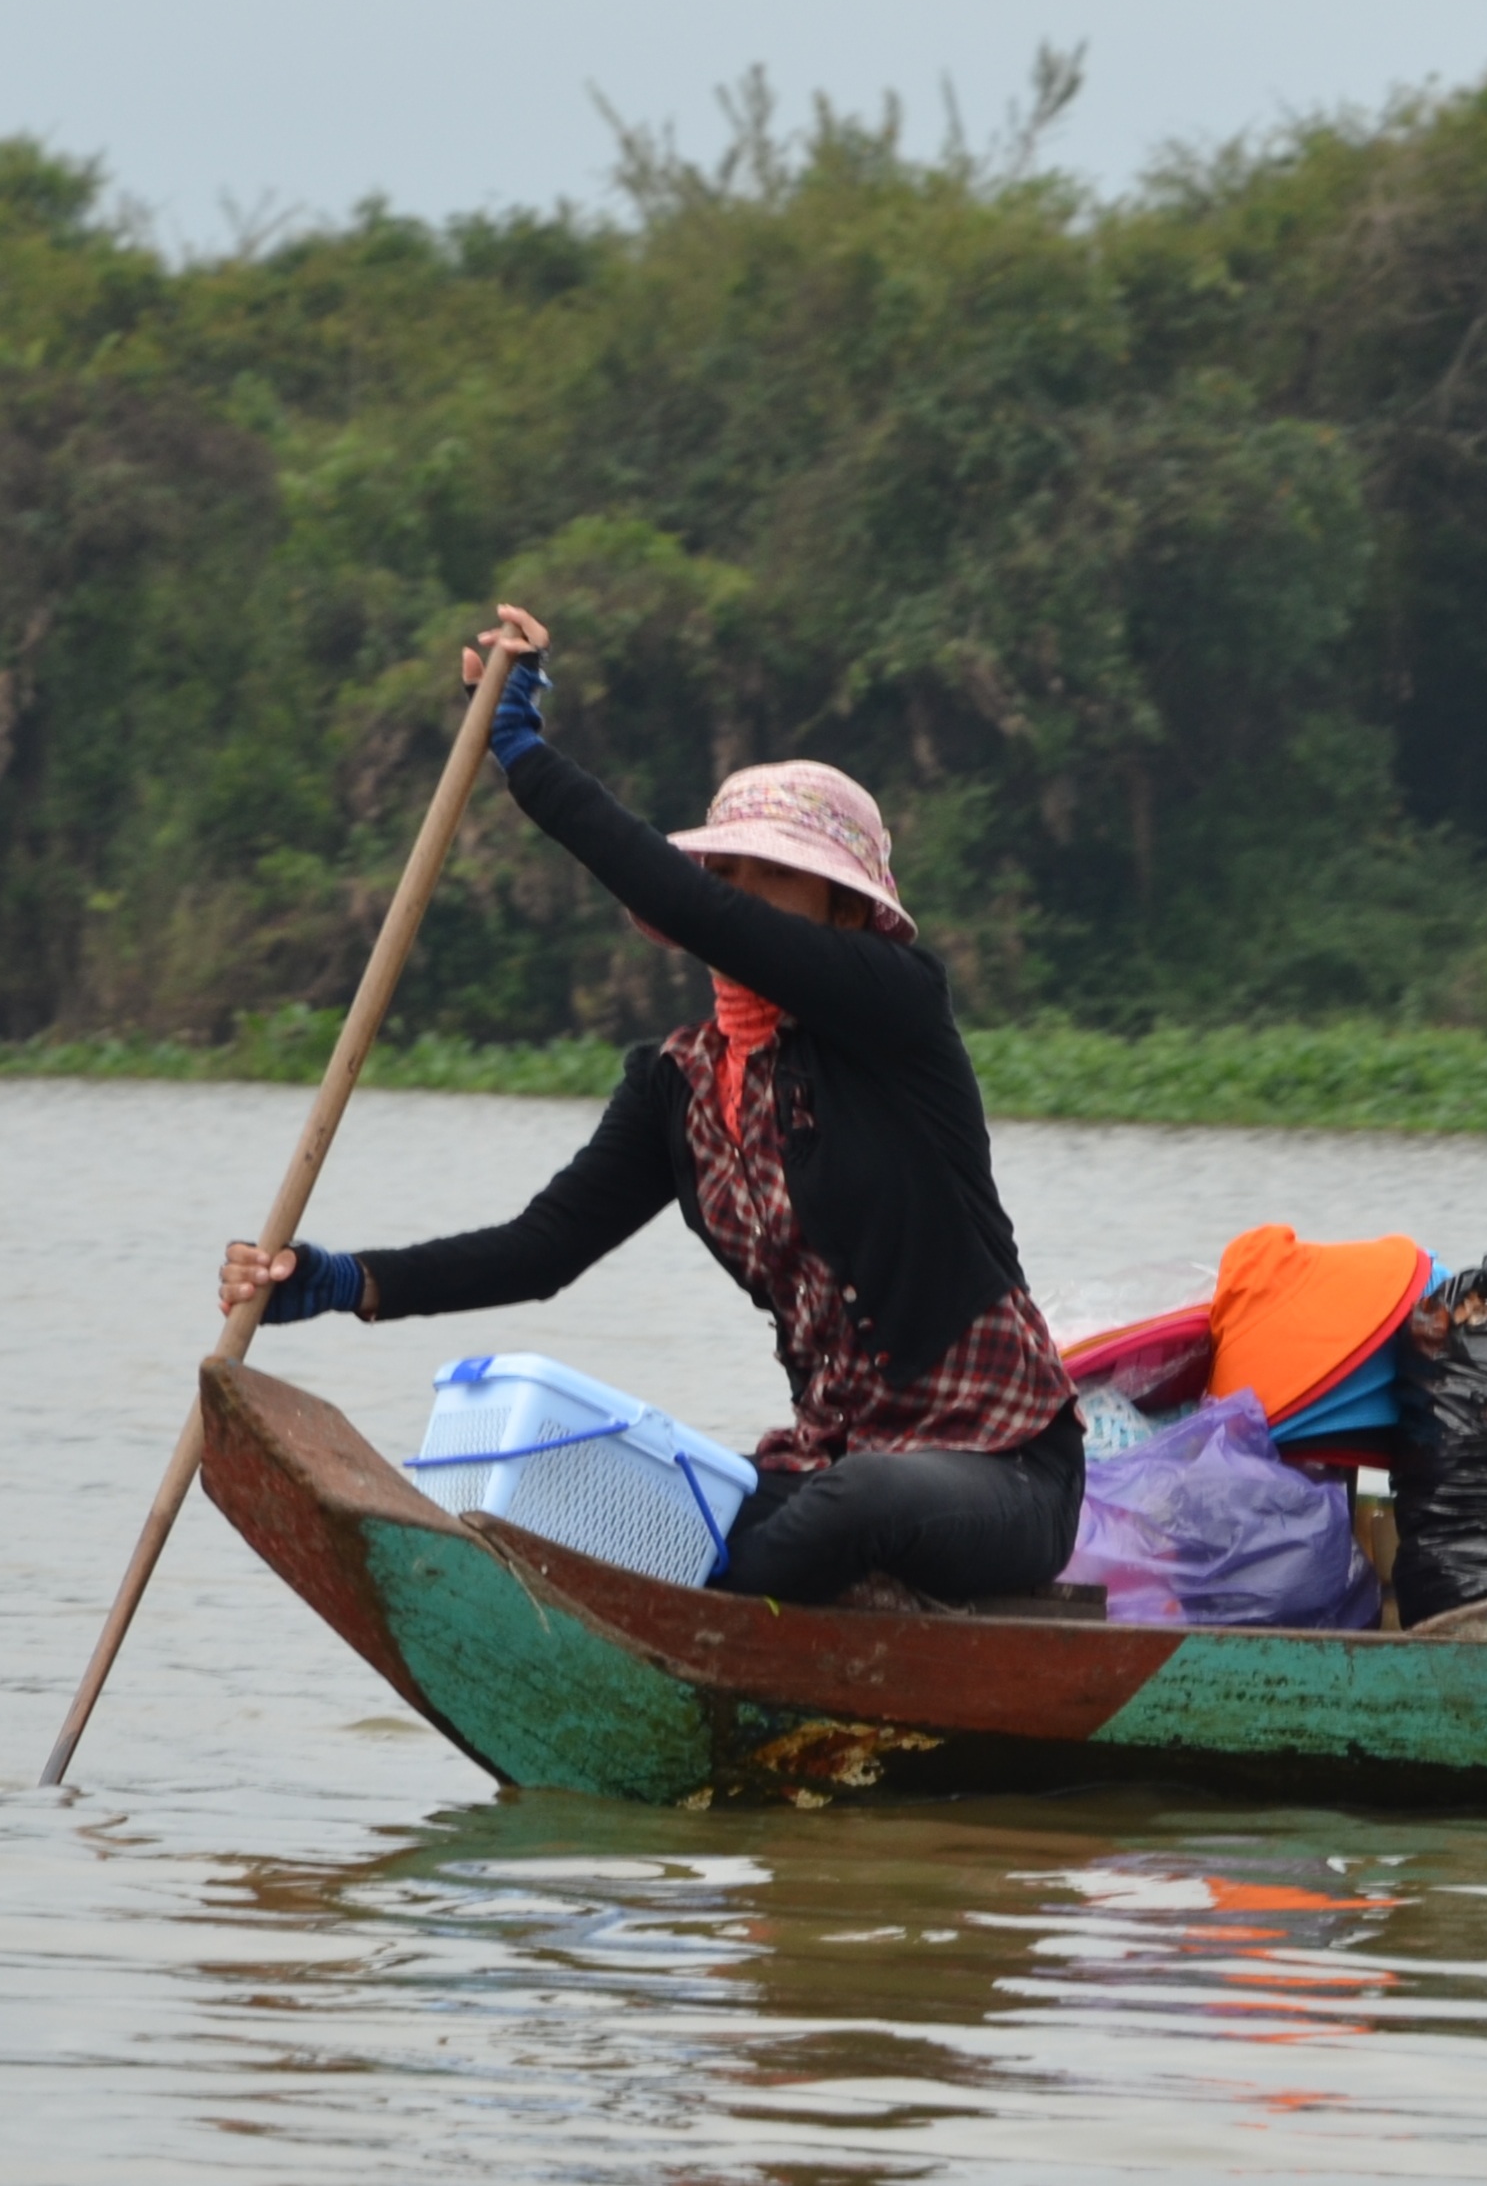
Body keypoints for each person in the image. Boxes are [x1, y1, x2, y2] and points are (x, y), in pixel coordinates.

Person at [216, 605, 1081, 1605]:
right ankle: (700, 1612)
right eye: (729, 871)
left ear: (844, 911)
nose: (740, 895)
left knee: (852, 1505)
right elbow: (541, 1250)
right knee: (600, 1500)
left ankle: (712, 1630)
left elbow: (700, 912)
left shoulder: (896, 1009)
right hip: (831, 1465)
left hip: (1001, 1472)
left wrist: (525, 758)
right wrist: (347, 1280)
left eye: (776, 878)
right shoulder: (679, 1086)